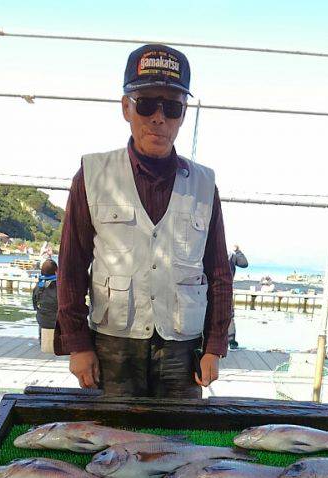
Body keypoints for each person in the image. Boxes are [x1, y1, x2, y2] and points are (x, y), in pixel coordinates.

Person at [54, 44, 232, 397]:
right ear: (126, 107)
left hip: (183, 349)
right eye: (147, 104)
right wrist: (78, 345)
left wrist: (214, 346)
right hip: (113, 345)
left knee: (181, 430)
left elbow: (218, 272)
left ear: (183, 114)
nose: (158, 118)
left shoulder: (204, 184)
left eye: (172, 107)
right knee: (111, 430)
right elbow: (71, 266)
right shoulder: (92, 175)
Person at [32, 258, 58, 354]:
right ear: (56, 271)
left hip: (42, 321)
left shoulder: (39, 286)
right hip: (57, 321)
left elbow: (34, 305)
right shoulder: (60, 286)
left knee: (41, 314)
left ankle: (42, 341)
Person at [228, 244, 248, 349]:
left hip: (226, 289)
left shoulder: (231, 254)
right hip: (213, 288)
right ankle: (231, 341)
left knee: (229, 316)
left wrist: (237, 251)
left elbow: (244, 263)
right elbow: (244, 264)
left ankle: (231, 341)